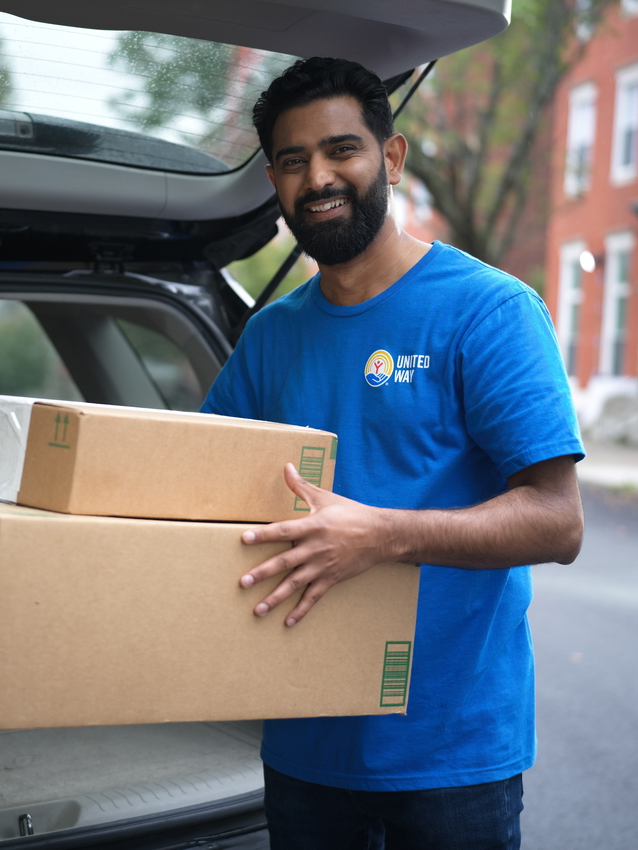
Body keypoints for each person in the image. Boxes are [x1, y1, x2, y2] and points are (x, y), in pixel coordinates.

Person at [200, 57, 586, 849]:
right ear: (273, 179)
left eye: (341, 149)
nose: (318, 177)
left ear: (392, 157)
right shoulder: (273, 335)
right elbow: (201, 493)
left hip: (451, 755)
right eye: (293, 160)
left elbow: (557, 522)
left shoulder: (490, 311)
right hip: (304, 743)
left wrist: (381, 535)